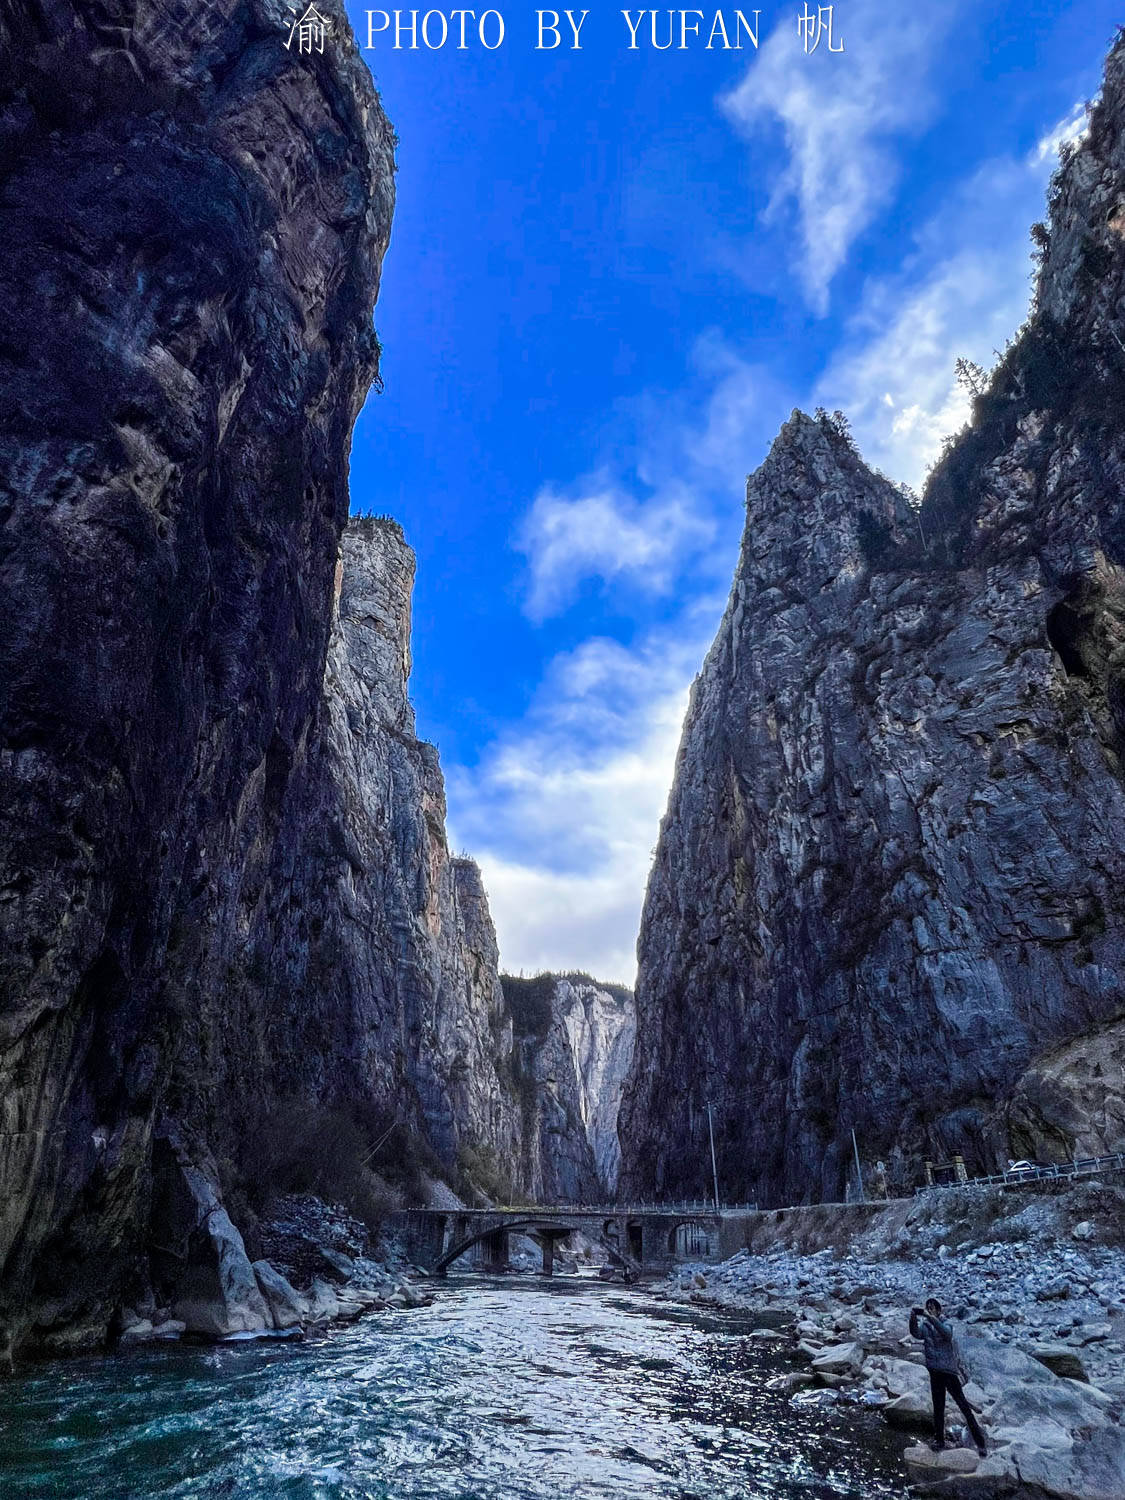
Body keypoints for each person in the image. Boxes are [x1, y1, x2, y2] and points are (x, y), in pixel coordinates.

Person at [909, 1297, 987, 1456]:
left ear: (938, 1310)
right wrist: (912, 1317)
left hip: (948, 1372)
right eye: (928, 1307)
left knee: (964, 1407)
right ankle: (939, 1441)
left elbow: (947, 1334)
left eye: (932, 1308)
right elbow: (916, 1333)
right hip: (934, 1371)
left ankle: (981, 1444)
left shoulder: (946, 1322)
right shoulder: (926, 1326)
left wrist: (930, 1317)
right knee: (938, 1408)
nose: (929, 1310)